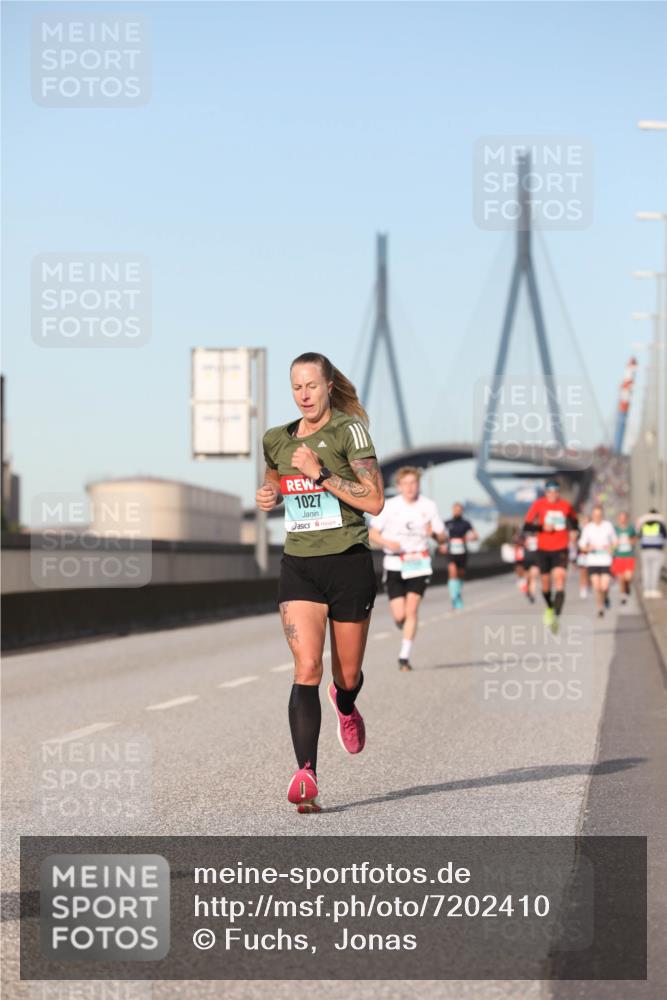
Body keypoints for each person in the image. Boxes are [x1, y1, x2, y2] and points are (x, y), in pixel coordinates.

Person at [257, 352, 384, 814]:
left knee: (345, 674)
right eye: (296, 387)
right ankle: (306, 776)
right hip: (300, 565)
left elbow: (374, 501)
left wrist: (322, 473)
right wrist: (269, 495)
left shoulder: (348, 431)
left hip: (348, 563)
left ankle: (345, 704)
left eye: (311, 385)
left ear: (328, 386)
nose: (304, 395)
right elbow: (274, 486)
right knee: (306, 667)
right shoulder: (276, 439)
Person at [368, 466, 446, 672]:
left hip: (418, 563)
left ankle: (404, 656)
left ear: (418, 485)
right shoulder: (390, 506)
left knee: (412, 610)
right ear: (399, 486)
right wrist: (386, 542)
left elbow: (442, 536)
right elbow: (372, 533)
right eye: (406, 483)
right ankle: (403, 625)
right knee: (400, 615)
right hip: (394, 563)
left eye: (414, 483)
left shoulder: (429, 506)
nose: (411, 487)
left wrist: (434, 535)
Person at [523, 479, 578, 633]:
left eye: (555, 491)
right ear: (545, 493)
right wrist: (541, 527)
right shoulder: (538, 505)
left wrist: (574, 531)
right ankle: (549, 607)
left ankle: (556, 617)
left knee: (560, 578)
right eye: (549, 492)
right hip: (543, 549)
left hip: (561, 548)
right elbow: (526, 525)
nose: (552, 494)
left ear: (558, 493)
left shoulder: (565, 506)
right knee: (546, 583)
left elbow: (574, 521)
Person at [578, 505, 617, 617]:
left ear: (602, 515)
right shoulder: (588, 528)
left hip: (605, 561)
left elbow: (615, 542)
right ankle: (600, 608)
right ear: (592, 516)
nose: (597, 517)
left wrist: (611, 548)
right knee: (597, 586)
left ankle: (606, 597)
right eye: (595, 515)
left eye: (599, 515)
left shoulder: (608, 526)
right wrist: (588, 548)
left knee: (604, 586)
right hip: (592, 561)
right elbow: (581, 545)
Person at [443, 503, 478, 609]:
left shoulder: (466, 523)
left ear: (462, 511)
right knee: (452, 571)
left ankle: (458, 593)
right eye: (455, 509)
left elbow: (476, 535)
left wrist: (470, 538)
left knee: (461, 574)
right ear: (452, 510)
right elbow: (441, 535)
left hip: (462, 552)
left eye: (459, 509)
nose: (457, 511)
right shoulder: (447, 523)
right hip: (451, 551)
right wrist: (442, 545)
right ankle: (454, 596)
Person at [636, 507, 666, 598]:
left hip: (645, 550)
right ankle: (653, 589)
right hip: (657, 550)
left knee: (646, 570)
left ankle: (647, 590)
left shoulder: (644, 524)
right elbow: (665, 537)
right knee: (655, 571)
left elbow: (639, 536)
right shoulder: (660, 524)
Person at [611, 510, 636, 604]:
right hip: (619, 556)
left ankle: (627, 587)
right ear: (618, 519)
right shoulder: (615, 529)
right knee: (621, 578)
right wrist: (615, 544)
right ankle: (623, 596)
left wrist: (629, 541)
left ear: (627, 519)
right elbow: (612, 543)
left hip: (629, 555)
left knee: (628, 577)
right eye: (621, 518)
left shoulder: (631, 529)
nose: (622, 520)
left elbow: (634, 540)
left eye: (624, 518)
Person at [576, 513, 590, 599]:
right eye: (585, 521)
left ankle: (588, 585)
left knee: (589, 572)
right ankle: (582, 588)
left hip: (592, 554)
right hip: (582, 554)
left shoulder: (593, 530)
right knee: (582, 572)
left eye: (588, 521)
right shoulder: (580, 531)